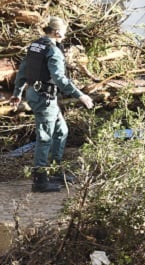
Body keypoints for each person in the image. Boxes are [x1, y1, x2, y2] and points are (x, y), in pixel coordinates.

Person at [11, 16, 94, 192]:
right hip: (44, 97)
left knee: (61, 131)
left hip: (36, 93)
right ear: (57, 32)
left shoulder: (36, 45)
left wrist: (17, 93)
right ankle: (40, 180)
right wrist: (80, 95)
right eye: (63, 34)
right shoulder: (53, 51)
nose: (64, 37)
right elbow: (60, 79)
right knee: (45, 136)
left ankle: (56, 171)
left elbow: (22, 71)